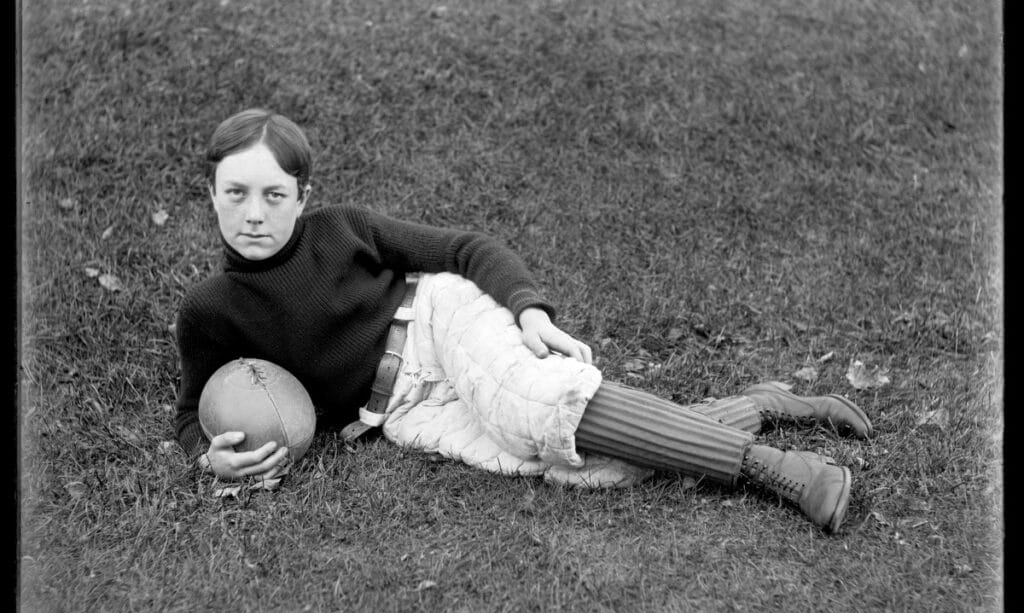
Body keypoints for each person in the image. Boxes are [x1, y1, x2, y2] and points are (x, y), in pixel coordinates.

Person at [173, 108, 873, 534]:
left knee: (537, 405)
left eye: (274, 193)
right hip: (402, 413)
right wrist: (211, 454)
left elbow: (464, 248)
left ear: (303, 195)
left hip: (433, 323)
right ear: (211, 194)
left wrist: (527, 308)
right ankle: (755, 406)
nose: (255, 212)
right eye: (236, 193)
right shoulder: (209, 310)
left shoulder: (344, 228)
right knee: (580, 467)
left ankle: (783, 471)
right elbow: (187, 412)